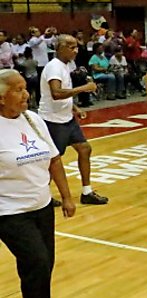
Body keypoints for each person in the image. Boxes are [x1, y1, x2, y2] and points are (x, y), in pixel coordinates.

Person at [0, 69, 76, 298]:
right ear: (0, 97)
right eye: (18, 90)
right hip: (8, 212)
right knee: (38, 262)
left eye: (25, 88)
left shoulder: (34, 120)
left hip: (42, 207)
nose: (26, 94)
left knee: (42, 266)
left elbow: (54, 160)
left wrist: (66, 197)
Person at [39, 35, 108, 205]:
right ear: (59, 48)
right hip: (53, 121)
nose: (75, 50)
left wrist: (75, 108)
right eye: (71, 47)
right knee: (53, 160)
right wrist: (84, 88)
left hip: (67, 119)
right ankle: (42, 196)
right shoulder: (54, 67)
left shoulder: (66, 65)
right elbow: (56, 93)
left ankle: (87, 192)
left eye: (76, 46)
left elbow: (64, 93)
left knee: (85, 149)